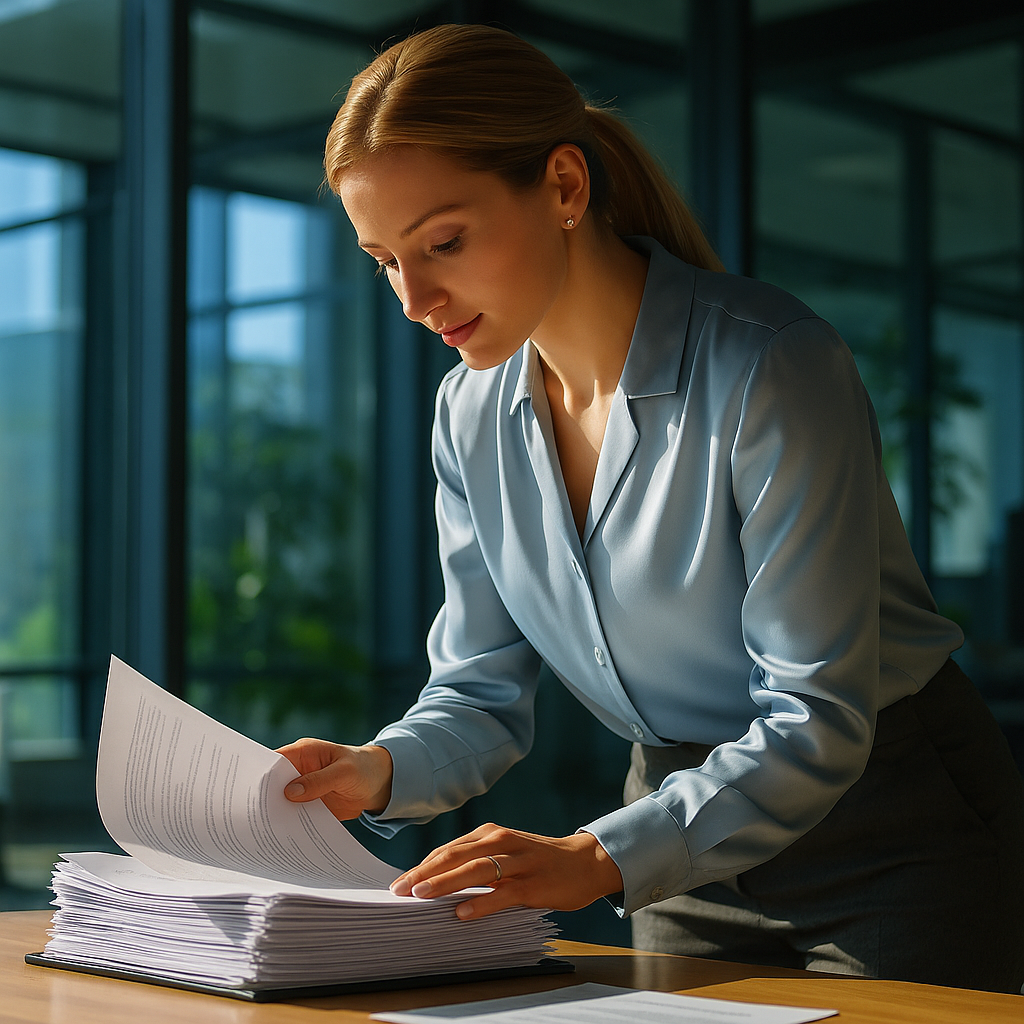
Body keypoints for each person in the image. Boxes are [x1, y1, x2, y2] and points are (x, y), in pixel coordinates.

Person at [278, 23, 1024, 992]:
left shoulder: (769, 366)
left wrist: (594, 856)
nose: (415, 297)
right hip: (674, 839)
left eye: (444, 242)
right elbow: (478, 693)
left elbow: (815, 712)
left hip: (895, 826)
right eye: (384, 259)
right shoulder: (468, 413)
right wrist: (370, 771)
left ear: (563, 188)